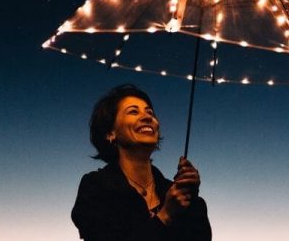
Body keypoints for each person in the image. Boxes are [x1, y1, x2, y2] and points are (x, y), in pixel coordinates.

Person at [71, 84, 212, 240]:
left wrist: (191, 198)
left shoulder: (175, 194)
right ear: (111, 133)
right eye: (133, 111)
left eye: (150, 112)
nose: (147, 117)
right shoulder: (95, 188)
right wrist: (165, 216)